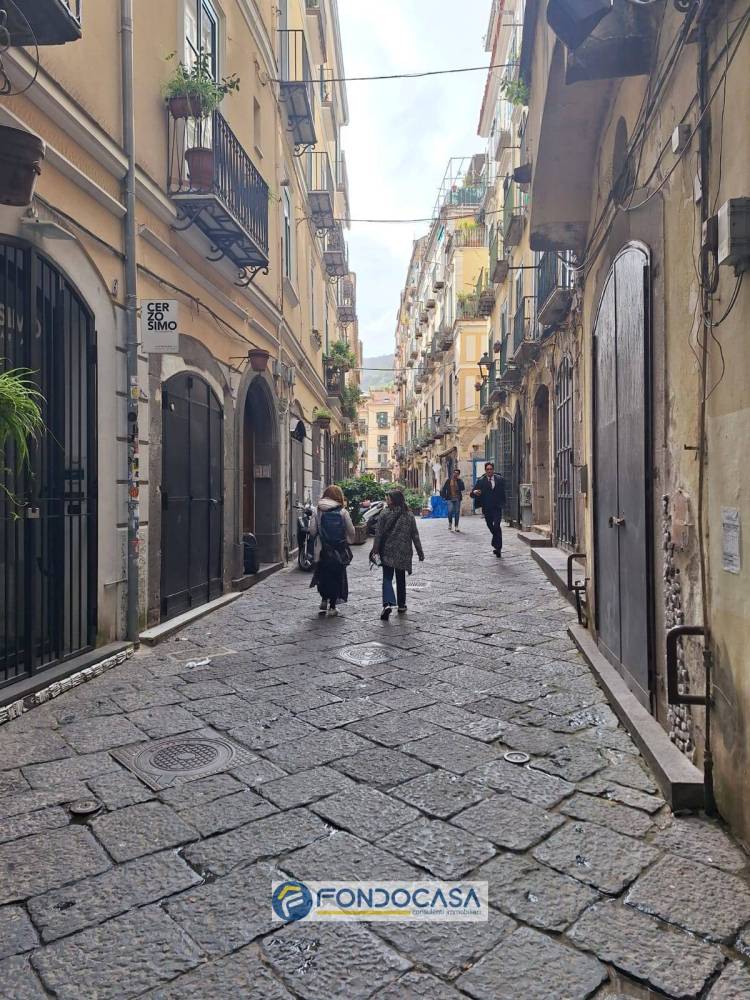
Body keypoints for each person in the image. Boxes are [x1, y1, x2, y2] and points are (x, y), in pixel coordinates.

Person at [370, 489, 424, 620]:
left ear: (394, 500)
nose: (387, 500)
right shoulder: (409, 514)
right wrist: (420, 551)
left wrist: (375, 549)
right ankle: (401, 605)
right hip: (403, 551)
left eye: (388, 498)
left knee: (387, 578)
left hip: (387, 550)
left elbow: (378, 534)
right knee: (401, 578)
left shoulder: (384, 514)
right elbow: (415, 534)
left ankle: (387, 604)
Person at [309, 485, 355, 616]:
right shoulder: (343, 512)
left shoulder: (317, 510)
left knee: (322, 575)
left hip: (322, 550)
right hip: (338, 550)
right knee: (336, 577)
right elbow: (351, 531)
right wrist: (348, 541)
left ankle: (324, 600)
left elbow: (312, 531)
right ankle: (332, 607)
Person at [472, 461, 506, 557]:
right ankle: (496, 542)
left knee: (497, 526)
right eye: (487, 469)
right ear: (485, 470)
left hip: (497, 507)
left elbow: (504, 491)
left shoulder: (500, 479)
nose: (489, 471)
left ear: (493, 470)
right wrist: (475, 492)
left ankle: (498, 548)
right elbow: (472, 493)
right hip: (487, 508)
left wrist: (503, 502)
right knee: (490, 526)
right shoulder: (481, 481)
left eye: (491, 469)